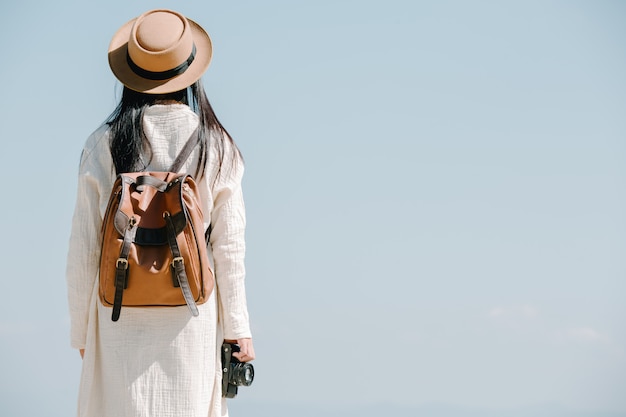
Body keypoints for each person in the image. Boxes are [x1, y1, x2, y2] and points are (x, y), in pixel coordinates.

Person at [66, 9, 254, 417]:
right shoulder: (216, 146)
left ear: (130, 74)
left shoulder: (103, 144)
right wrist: (238, 330)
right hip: (191, 319)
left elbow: (83, 248)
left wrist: (82, 331)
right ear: (191, 71)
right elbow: (229, 249)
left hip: (116, 315)